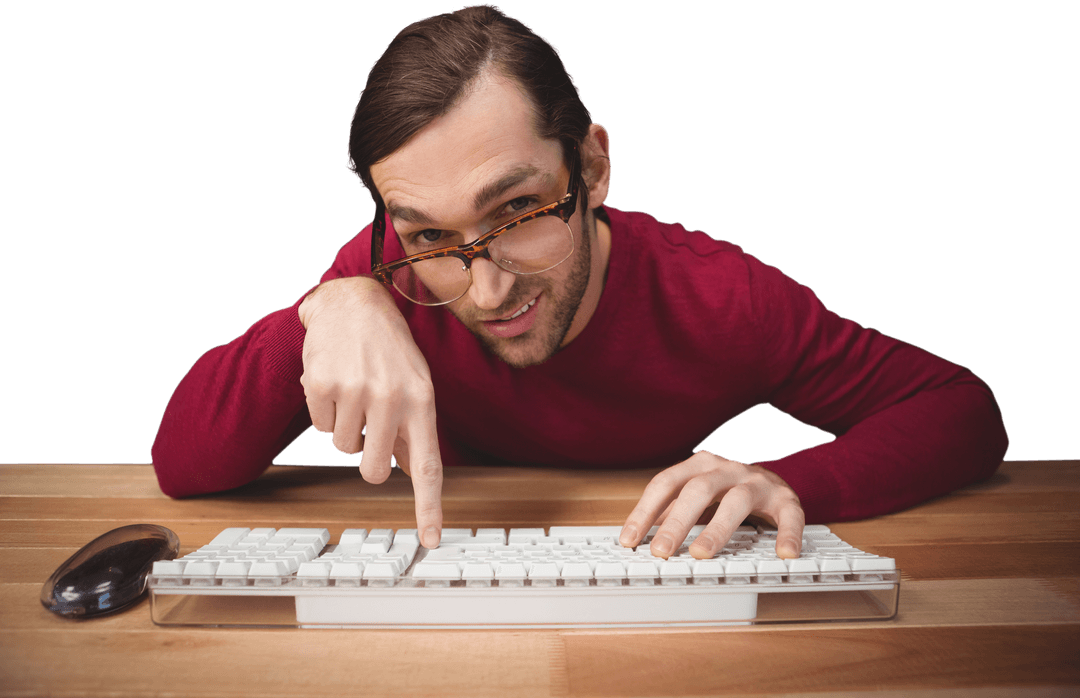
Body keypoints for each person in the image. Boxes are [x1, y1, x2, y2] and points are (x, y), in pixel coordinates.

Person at [151, 5, 1009, 561]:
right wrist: (324, 307)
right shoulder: (390, 279)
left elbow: (960, 408)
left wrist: (788, 482)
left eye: (517, 209)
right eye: (431, 236)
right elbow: (185, 465)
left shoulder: (720, 297)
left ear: (592, 167)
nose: (485, 292)